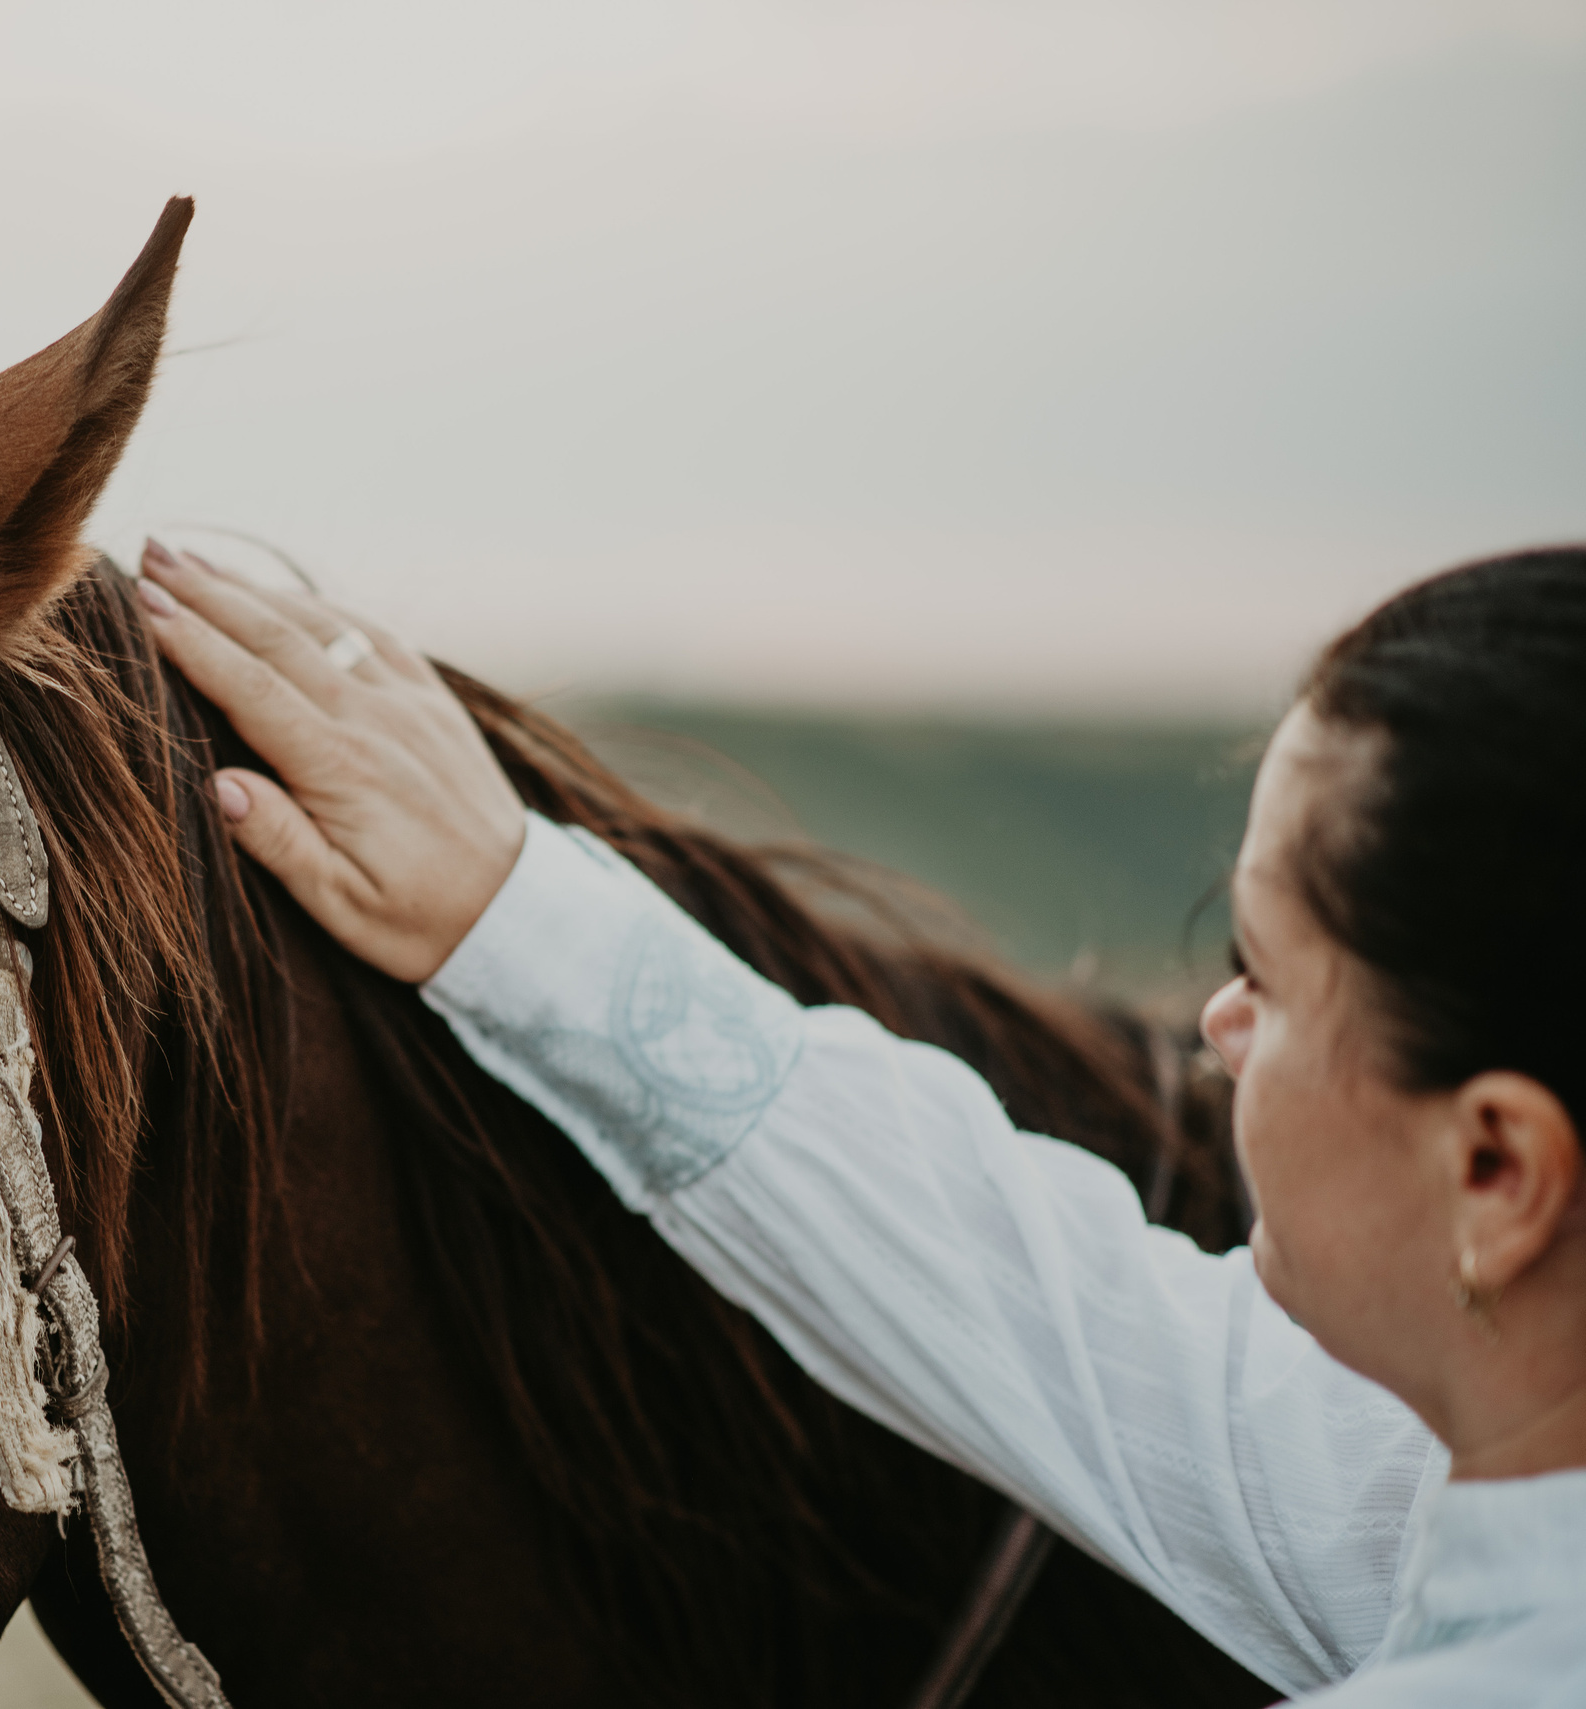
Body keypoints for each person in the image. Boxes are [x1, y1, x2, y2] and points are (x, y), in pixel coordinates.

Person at [129, 538, 1586, 1706]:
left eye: (1262, 970)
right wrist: (510, 910)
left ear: (1496, 1166)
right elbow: (1045, 1297)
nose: (1216, 1027)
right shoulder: (1423, 1481)